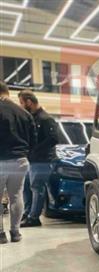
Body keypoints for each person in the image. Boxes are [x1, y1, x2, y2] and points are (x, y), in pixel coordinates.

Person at [0, 82, 37, 244]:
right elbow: (33, 140)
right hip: (21, 160)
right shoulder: (24, 113)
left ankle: (0, 235)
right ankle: (15, 232)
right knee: (17, 196)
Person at [19, 90, 58, 227]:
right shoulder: (32, 118)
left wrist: (35, 150)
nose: (21, 106)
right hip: (32, 160)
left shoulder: (45, 118)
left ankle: (34, 217)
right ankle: (27, 212)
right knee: (27, 187)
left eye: (22, 103)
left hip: (42, 160)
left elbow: (54, 139)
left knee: (37, 187)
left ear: (29, 102)